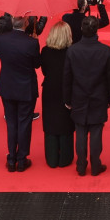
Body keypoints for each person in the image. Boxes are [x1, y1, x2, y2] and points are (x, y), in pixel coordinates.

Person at [64, 15, 110, 176]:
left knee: (80, 132)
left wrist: (67, 98)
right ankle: (95, 164)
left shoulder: (72, 50)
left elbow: (67, 77)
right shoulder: (105, 51)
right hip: (98, 96)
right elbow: (109, 77)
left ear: (81, 30)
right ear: (96, 30)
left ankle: (81, 164)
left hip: (78, 96)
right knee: (96, 132)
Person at [0, 15, 42, 172]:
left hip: (8, 85)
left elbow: (2, 56)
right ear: (26, 24)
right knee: (24, 123)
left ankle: (11, 158)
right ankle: (21, 159)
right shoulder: (32, 43)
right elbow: (36, 64)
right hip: (26, 87)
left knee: (11, 122)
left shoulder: (2, 40)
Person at [40, 22, 76, 169]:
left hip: (49, 88)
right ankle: (65, 158)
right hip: (66, 89)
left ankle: (52, 157)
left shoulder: (45, 51)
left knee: (50, 122)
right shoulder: (71, 52)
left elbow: (44, 70)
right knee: (66, 122)